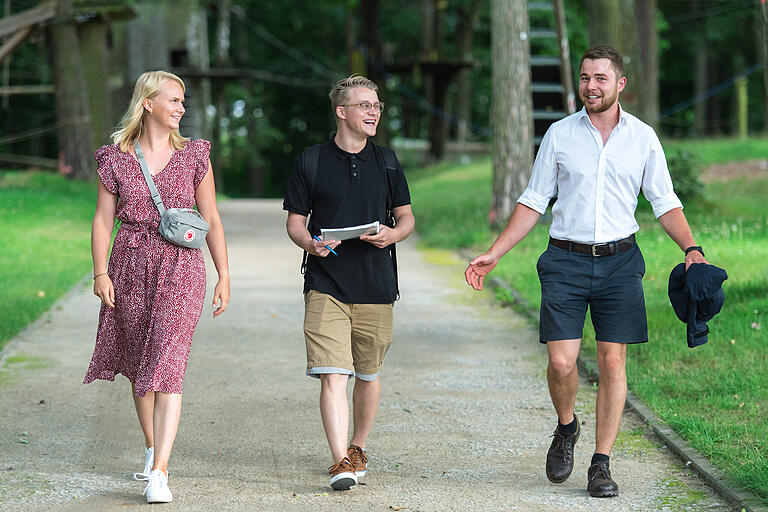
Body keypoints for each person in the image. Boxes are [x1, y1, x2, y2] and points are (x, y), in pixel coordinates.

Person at [464, 46, 708, 498]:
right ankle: (566, 426)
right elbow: (534, 200)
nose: (590, 86)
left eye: (600, 78)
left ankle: (601, 464)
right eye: (584, 78)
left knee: (613, 361)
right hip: (564, 261)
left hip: (620, 262)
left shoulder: (642, 138)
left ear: (620, 84)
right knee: (562, 362)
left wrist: (691, 248)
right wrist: (495, 252)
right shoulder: (559, 134)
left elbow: (664, 202)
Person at [84, 71, 230, 503]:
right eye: (173, 100)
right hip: (129, 264)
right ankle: (151, 448)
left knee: (167, 364)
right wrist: (100, 273)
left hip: (182, 267)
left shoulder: (195, 155)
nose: (181, 108)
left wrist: (224, 273)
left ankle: (160, 472)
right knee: (140, 362)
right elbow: (101, 220)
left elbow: (213, 218)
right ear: (148, 103)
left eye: (183, 101)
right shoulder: (115, 158)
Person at [283, 75, 414, 491]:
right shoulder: (311, 160)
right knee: (332, 373)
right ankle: (340, 459)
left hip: (377, 284)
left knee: (368, 373)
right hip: (326, 281)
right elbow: (294, 223)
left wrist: (392, 234)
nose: (373, 111)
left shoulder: (388, 161)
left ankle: (358, 445)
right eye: (364, 105)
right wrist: (311, 243)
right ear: (342, 112)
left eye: (376, 105)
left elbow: (406, 217)